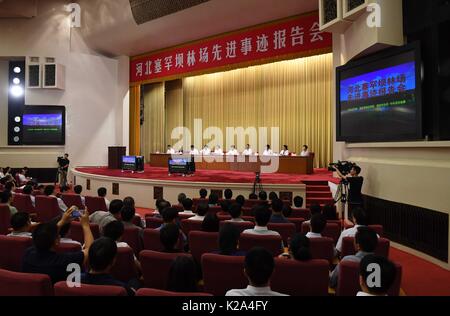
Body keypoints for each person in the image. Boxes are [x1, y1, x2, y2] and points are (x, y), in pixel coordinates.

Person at [22, 207, 94, 283]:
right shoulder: (63, 261)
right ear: (56, 241)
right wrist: (85, 225)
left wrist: (62, 221)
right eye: (57, 236)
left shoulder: (28, 254)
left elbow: (45, 235)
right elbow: (90, 250)